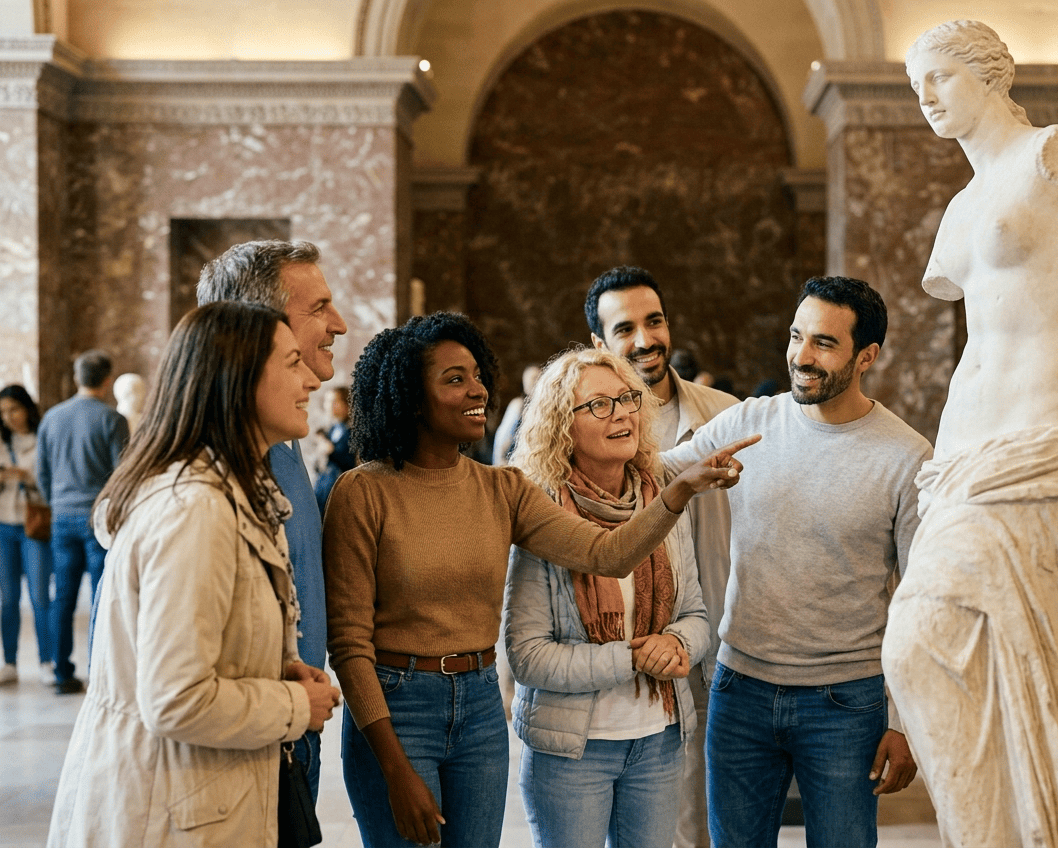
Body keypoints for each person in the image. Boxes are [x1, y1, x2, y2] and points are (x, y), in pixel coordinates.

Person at [322, 311, 754, 848]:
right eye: (454, 379)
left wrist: (677, 492)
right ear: (410, 397)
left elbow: (608, 553)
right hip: (399, 706)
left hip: (478, 707)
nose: (477, 389)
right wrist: (393, 766)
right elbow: (348, 644)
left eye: (478, 374)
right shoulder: (363, 493)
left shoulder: (501, 489)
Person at [882, 21, 1058, 848]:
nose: (927, 99)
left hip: (1047, 439)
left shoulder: (1053, 153)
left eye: (942, 77)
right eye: (917, 86)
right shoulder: (958, 210)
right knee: (922, 651)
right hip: (965, 456)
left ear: (991, 75)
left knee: (1016, 665)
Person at [46, 301, 341, 847]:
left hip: (201, 798)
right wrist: (295, 705)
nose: (310, 380)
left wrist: (282, 670)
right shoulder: (195, 509)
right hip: (167, 810)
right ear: (239, 381)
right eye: (292, 362)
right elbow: (176, 697)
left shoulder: (232, 493)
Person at [660, 276, 929, 847]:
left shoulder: (907, 457)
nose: (800, 357)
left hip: (846, 703)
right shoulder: (749, 423)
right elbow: (655, 472)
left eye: (824, 344)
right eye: (795, 336)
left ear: (867, 357)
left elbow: (920, 600)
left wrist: (905, 725)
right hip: (740, 690)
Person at [503, 347, 711, 848]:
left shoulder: (657, 498)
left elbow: (697, 615)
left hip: (658, 740)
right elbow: (528, 657)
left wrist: (679, 644)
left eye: (626, 398)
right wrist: (631, 657)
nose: (621, 413)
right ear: (561, 426)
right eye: (599, 405)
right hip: (573, 751)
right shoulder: (541, 515)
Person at [586, 265, 737, 848]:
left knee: (701, 825)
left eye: (655, 321)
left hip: (714, 653)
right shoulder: (575, 434)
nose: (646, 340)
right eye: (625, 328)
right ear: (600, 345)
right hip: (623, 658)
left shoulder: (726, 415)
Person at [197, 238, 347, 799]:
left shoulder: (280, 438)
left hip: (290, 731)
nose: (340, 324)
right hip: (234, 754)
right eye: (319, 308)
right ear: (255, 329)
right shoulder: (202, 477)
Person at [36, 349, 129, 695]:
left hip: (62, 516)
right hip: (97, 519)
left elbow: (41, 470)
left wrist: (55, 502)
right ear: (107, 380)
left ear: (77, 378)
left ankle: (61, 672)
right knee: (101, 595)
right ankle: (98, 671)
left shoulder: (52, 418)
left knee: (63, 596)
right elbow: (122, 474)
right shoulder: (112, 419)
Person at [0, 385, 54, 687]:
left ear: (27, 408)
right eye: (2, 411)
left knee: (39, 596)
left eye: (13, 408)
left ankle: (46, 662)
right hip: (1, 524)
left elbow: (52, 485)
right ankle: (9, 663)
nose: (8, 416)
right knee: (8, 598)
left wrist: (26, 476)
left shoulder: (44, 440)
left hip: (33, 524)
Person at [314, 386, 354, 515]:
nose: (329, 406)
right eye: (327, 401)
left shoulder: (352, 432)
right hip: (323, 486)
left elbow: (351, 463)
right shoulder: (330, 431)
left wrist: (331, 451)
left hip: (339, 490)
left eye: (334, 401)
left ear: (347, 405)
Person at [492, 364, 540, 466]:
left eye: (536, 378)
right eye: (530, 379)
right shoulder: (518, 405)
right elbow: (502, 439)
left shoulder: (543, 408)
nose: (532, 382)